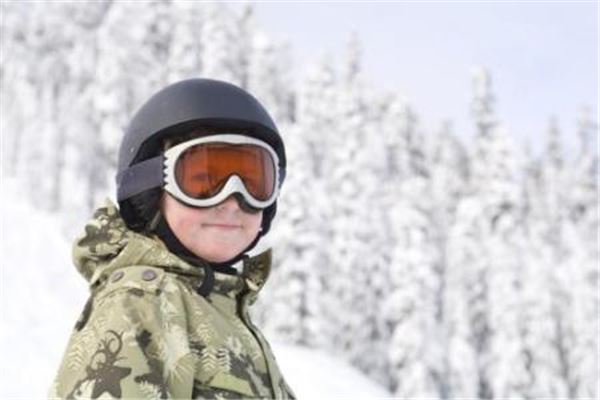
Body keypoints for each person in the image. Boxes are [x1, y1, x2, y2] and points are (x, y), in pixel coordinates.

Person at [49, 78, 296, 399]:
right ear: (149, 190)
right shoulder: (141, 302)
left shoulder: (222, 310)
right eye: (203, 181)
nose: (232, 201)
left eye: (253, 183)